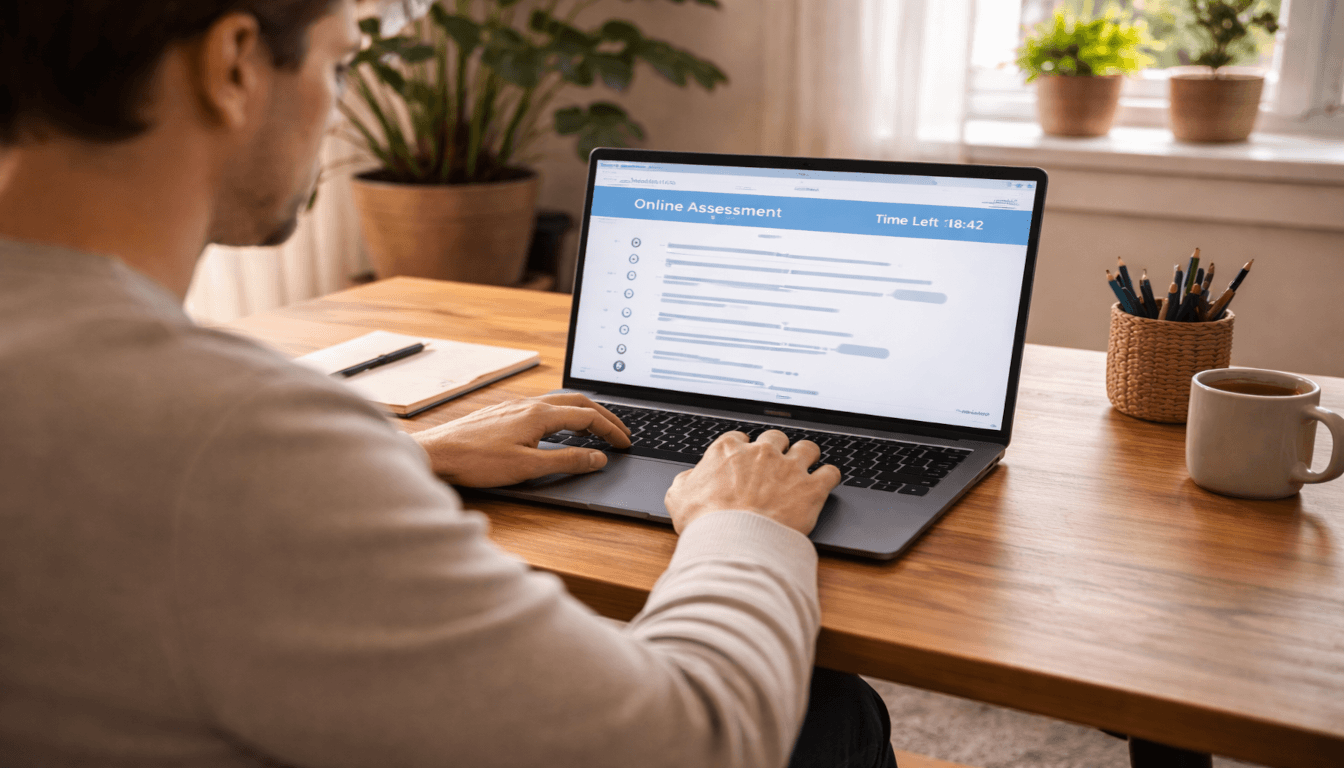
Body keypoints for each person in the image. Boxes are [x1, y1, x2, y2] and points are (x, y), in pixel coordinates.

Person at [0, 1, 898, 766]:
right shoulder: (227, 433)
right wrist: (744, 521)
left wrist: (405, 452)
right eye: (339, 64)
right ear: (234, 64)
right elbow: (695, 740)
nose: (336, 107)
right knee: (829, 708)